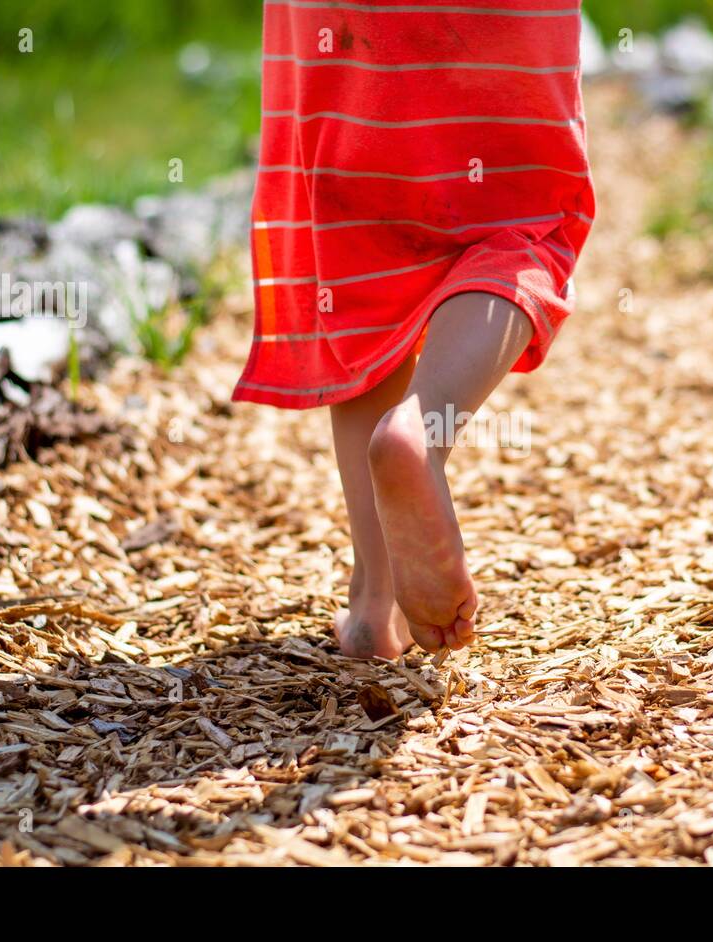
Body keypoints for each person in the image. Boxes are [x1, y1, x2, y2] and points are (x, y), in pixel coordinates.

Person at [234, 0, 594, 658]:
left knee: (364, 275)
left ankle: (375, 604)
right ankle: (423, 422)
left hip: (346, 33)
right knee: (523, 230)